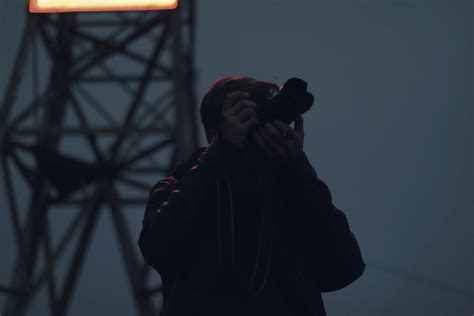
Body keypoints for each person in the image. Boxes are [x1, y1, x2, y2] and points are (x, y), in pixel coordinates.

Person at [138, 77, 365, 316]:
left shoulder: (290, 189)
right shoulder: (179, 186)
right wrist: (223, 152)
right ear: (215, 134)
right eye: (245, 119)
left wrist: (297, 166)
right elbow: (158, 246)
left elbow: (345, 268)